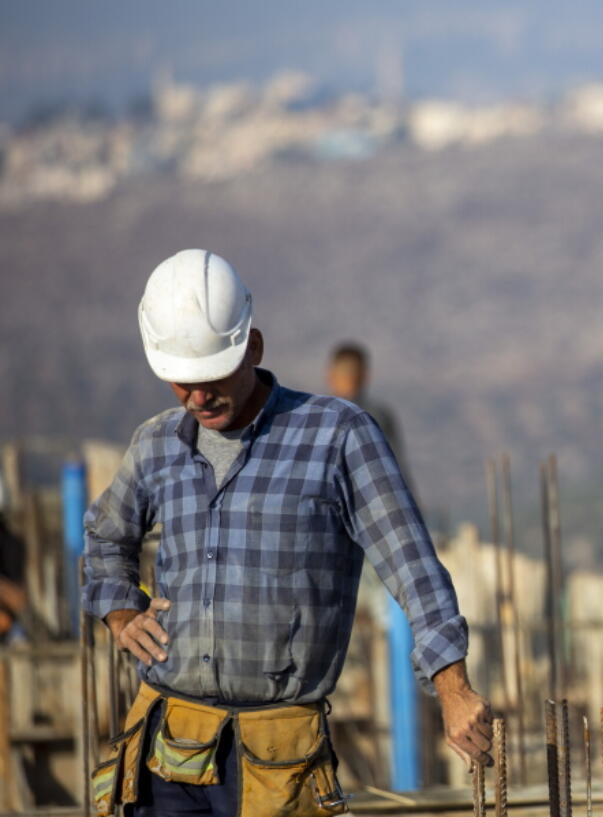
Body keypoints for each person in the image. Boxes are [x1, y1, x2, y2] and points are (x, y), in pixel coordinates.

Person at [83, 249, 491, 817]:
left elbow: (413, 566)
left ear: (253, 347)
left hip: (277, 758)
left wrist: (453, 688)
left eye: (212, 378)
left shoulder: (338, 437)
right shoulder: (156, 445)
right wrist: (121, 612)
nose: (198, 398)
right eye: (183, 382)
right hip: (166, 748)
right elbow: (106, 539)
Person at [326, 342, 418, 498]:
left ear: (330, 375)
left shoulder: (318, 416)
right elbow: (394, 469)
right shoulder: (376, 416)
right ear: (365, 376)